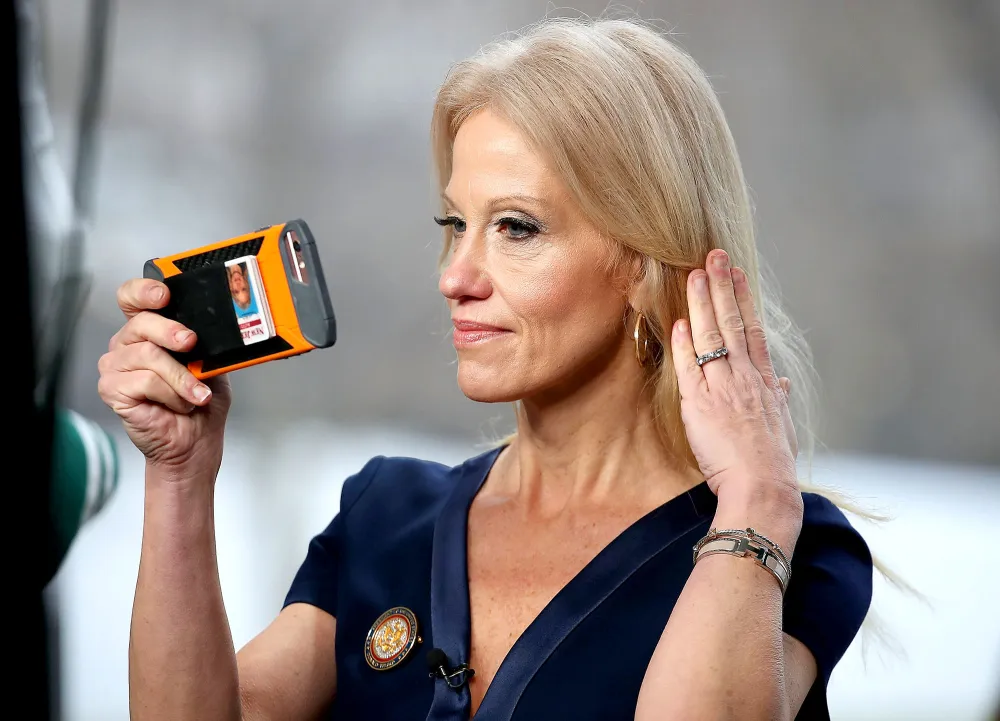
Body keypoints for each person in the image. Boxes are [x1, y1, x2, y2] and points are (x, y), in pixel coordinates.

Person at [98, 17, 873, 721]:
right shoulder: (384, 516)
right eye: (455, 224)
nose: (456, 275)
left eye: (516, 227)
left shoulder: (784, 542)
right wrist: (179, 476)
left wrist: (757, 501)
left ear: (642, 263)